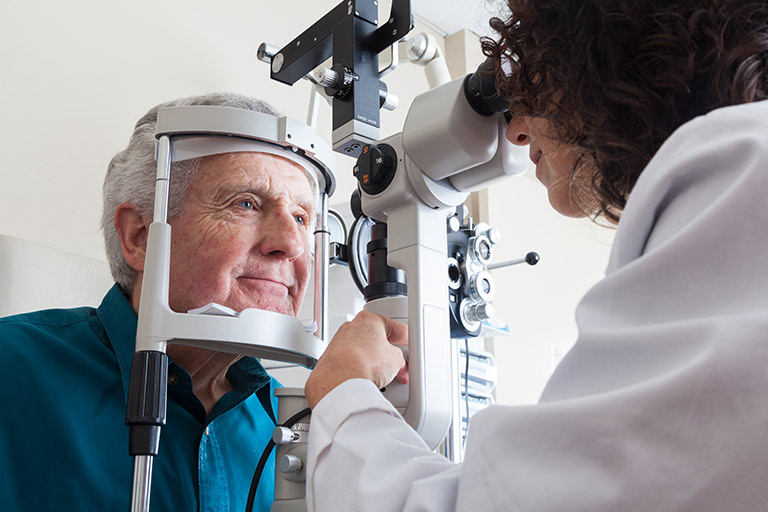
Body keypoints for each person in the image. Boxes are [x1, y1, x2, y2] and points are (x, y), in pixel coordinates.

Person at [303, 1, 768, 511]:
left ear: (603, 57)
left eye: (536, 85)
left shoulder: (743, 171)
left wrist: (344, 394)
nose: (518, 131)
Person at [0, 92, 318, 510]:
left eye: (301, 218)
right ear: (141, 237)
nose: (292, 244)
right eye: (246, 203)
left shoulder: (294, 422)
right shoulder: (11, 371)